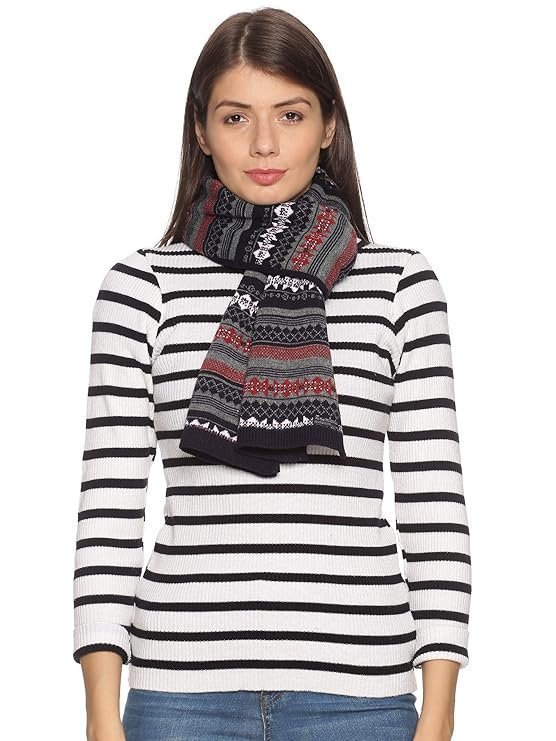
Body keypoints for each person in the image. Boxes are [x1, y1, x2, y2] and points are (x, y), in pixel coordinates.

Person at [72, 7, 472, 741]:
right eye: (235, 117)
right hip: (180, 695)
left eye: (290, 114)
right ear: (201, 131)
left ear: (328, 126)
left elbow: (433, 504)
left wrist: (439, 709)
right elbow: (109, 508)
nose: (264, 143)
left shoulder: (399, 286)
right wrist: (101, 711)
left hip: (360, 695)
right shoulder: (142, 286)